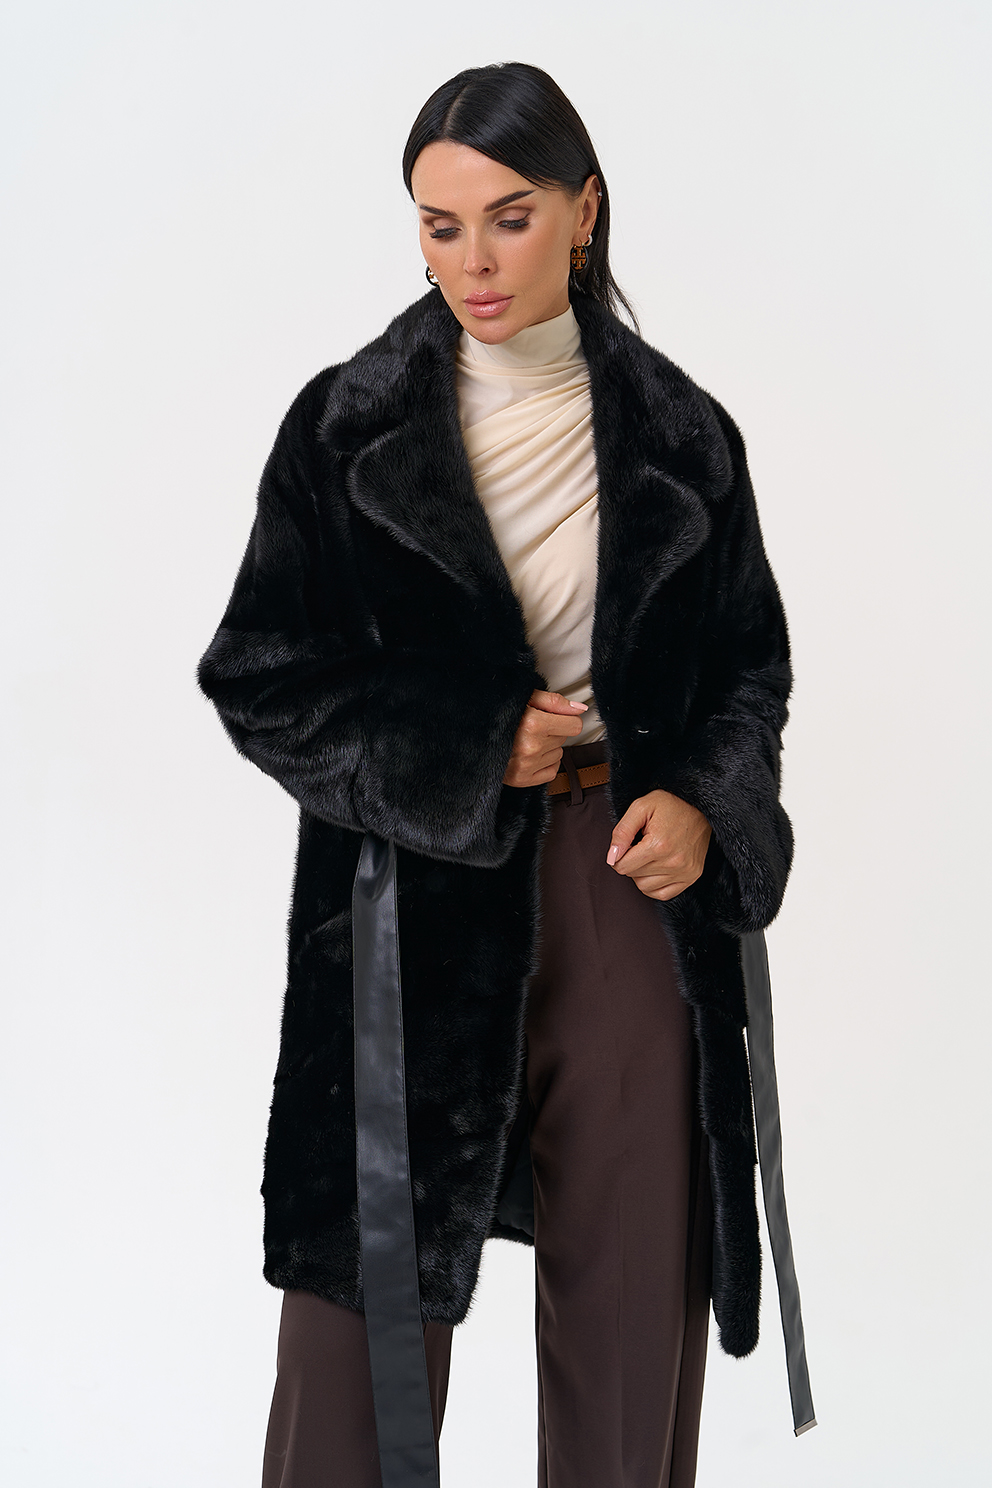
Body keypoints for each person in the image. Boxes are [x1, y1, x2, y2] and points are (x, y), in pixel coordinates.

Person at [197, 60, 811, 1488]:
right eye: (440, 224)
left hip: (623, 886)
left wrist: (706, 809)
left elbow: (748, 672)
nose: (471, 259)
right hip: (404, 906)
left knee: (630, 1315)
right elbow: (260, 675)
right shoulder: (344, 427)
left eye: (509, 217)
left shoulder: (684, 436)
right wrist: (471, 748)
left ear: (584, 212)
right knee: (357, 1345)